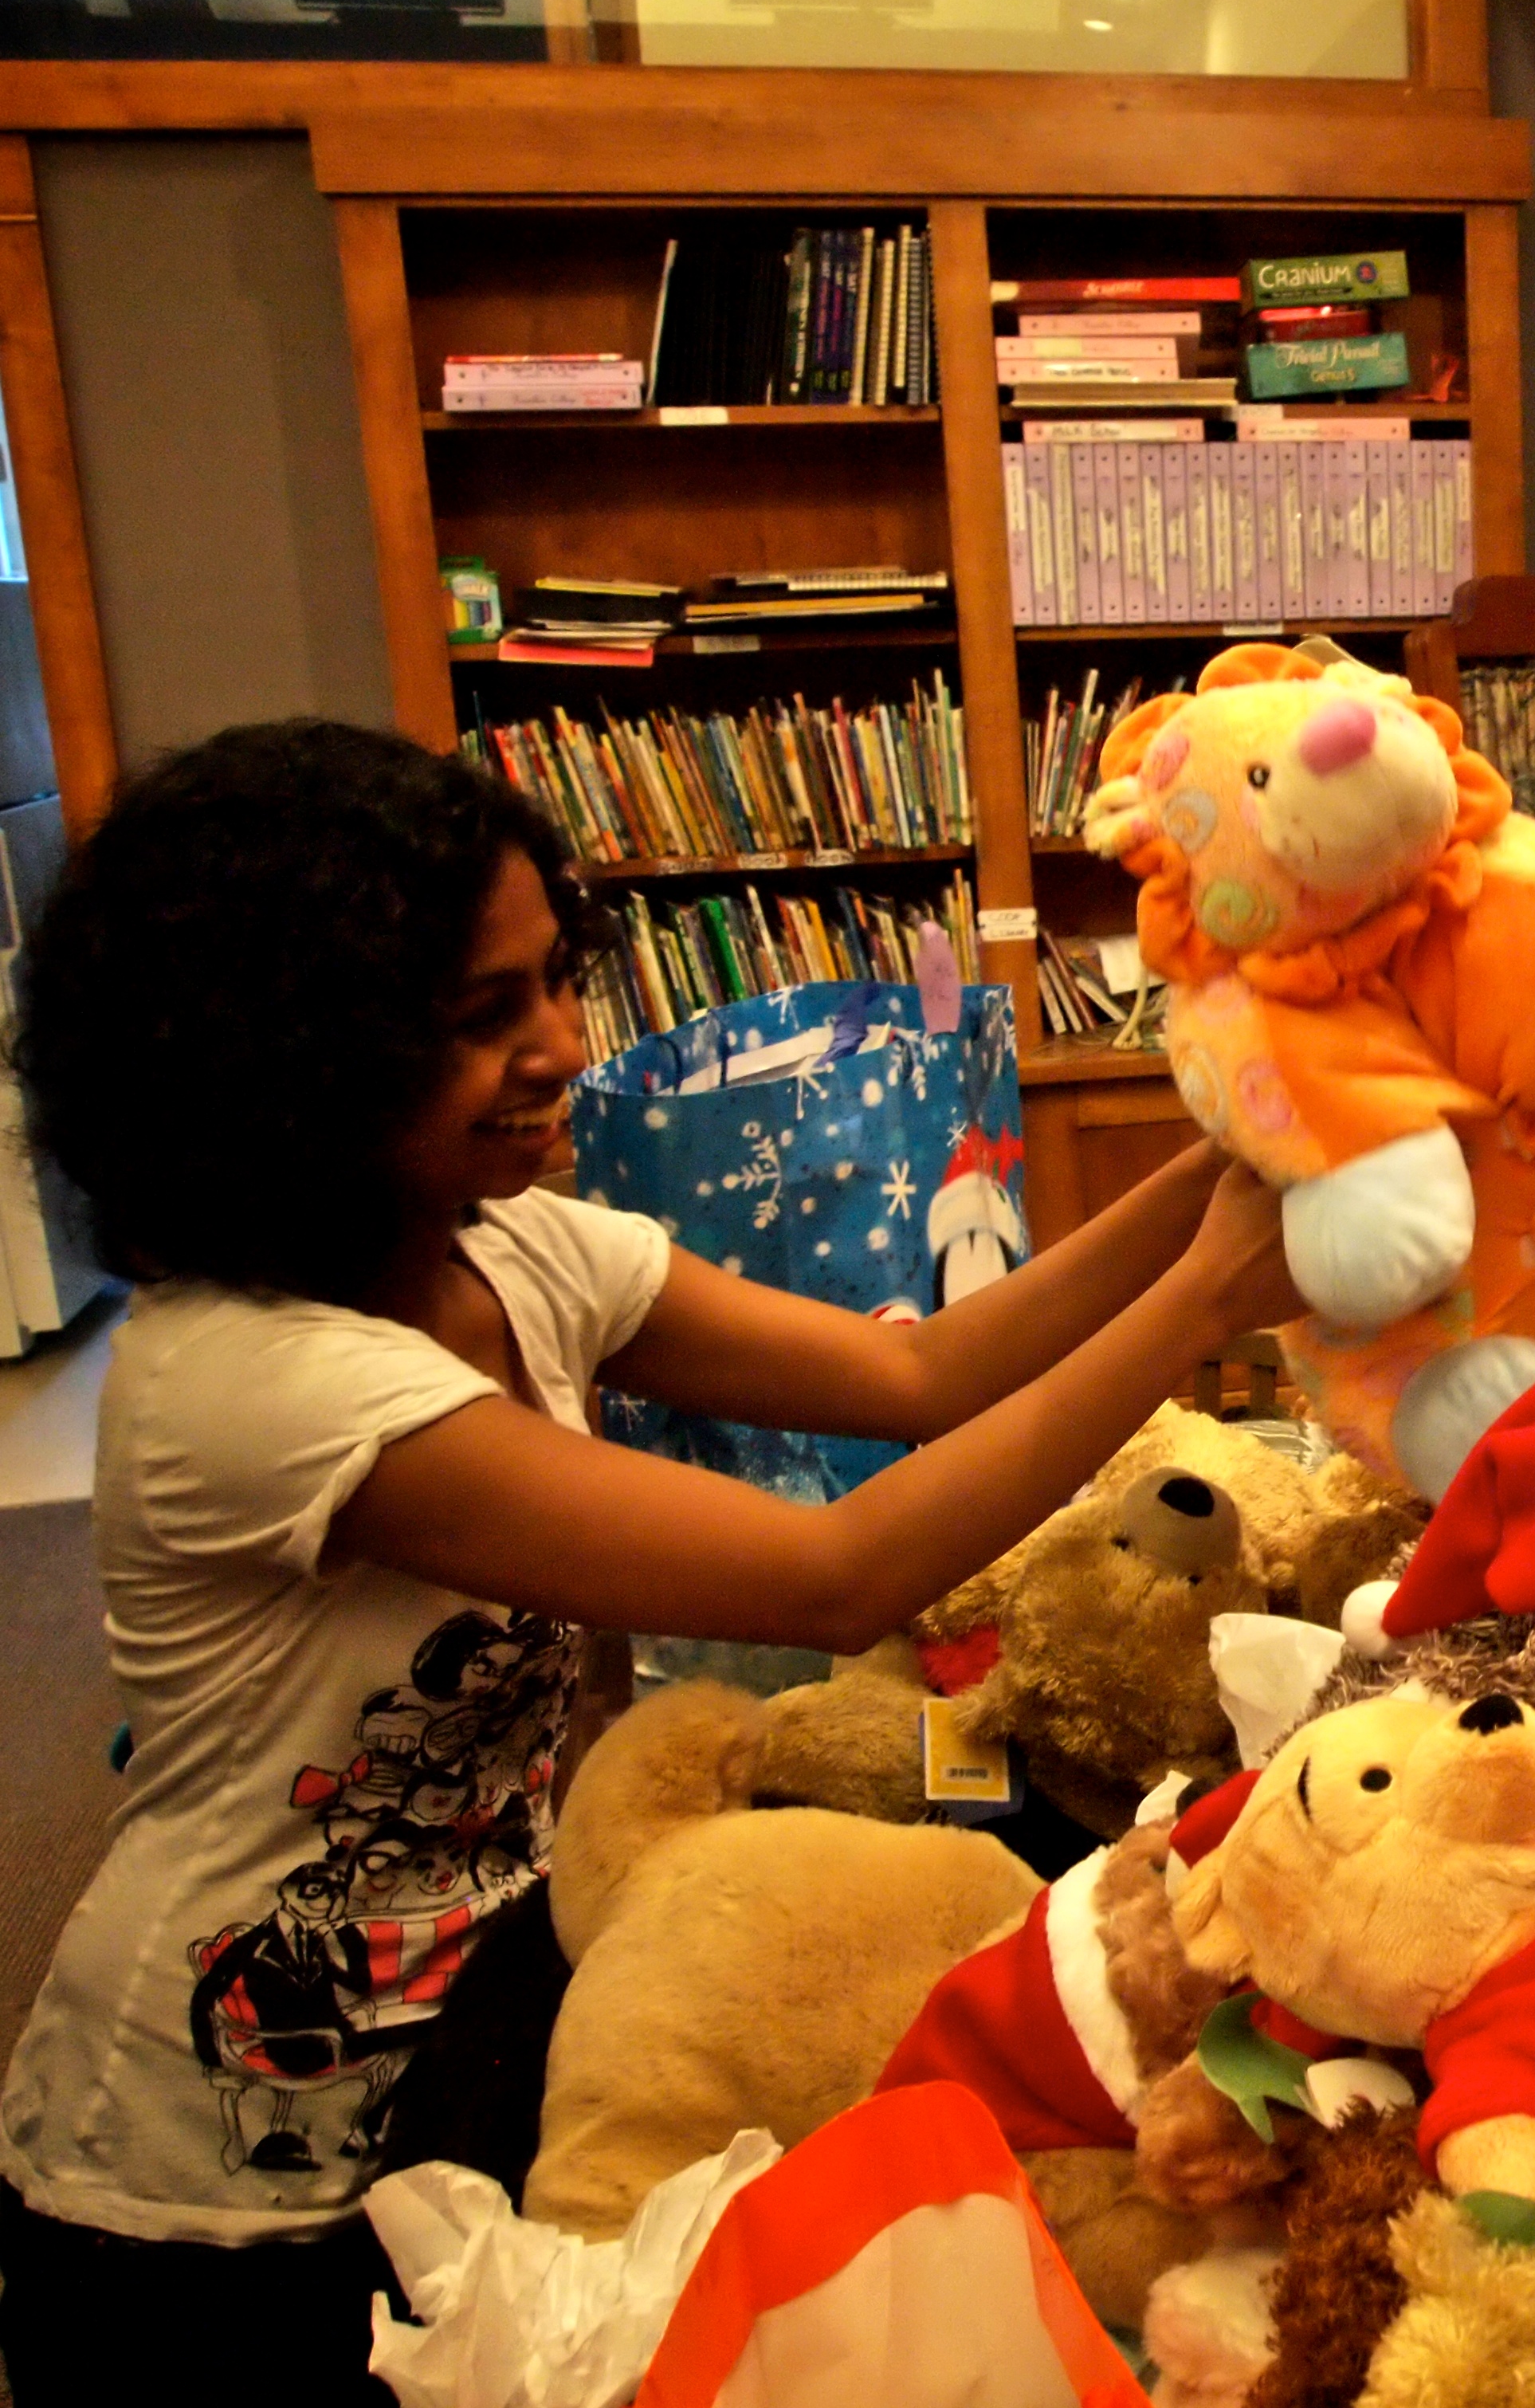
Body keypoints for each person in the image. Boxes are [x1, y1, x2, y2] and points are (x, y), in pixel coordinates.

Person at [0, 720, 1303, 2401]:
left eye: (558, 980)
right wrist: (1207, 1299)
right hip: (210, 2190)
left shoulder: (519, 1247)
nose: (561, 1046)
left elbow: (916, 1376)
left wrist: (1226, 1160)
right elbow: (837, 1573)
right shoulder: (256, 1382)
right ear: (293, 1061)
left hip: (486, 2023)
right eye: (486, 1017)